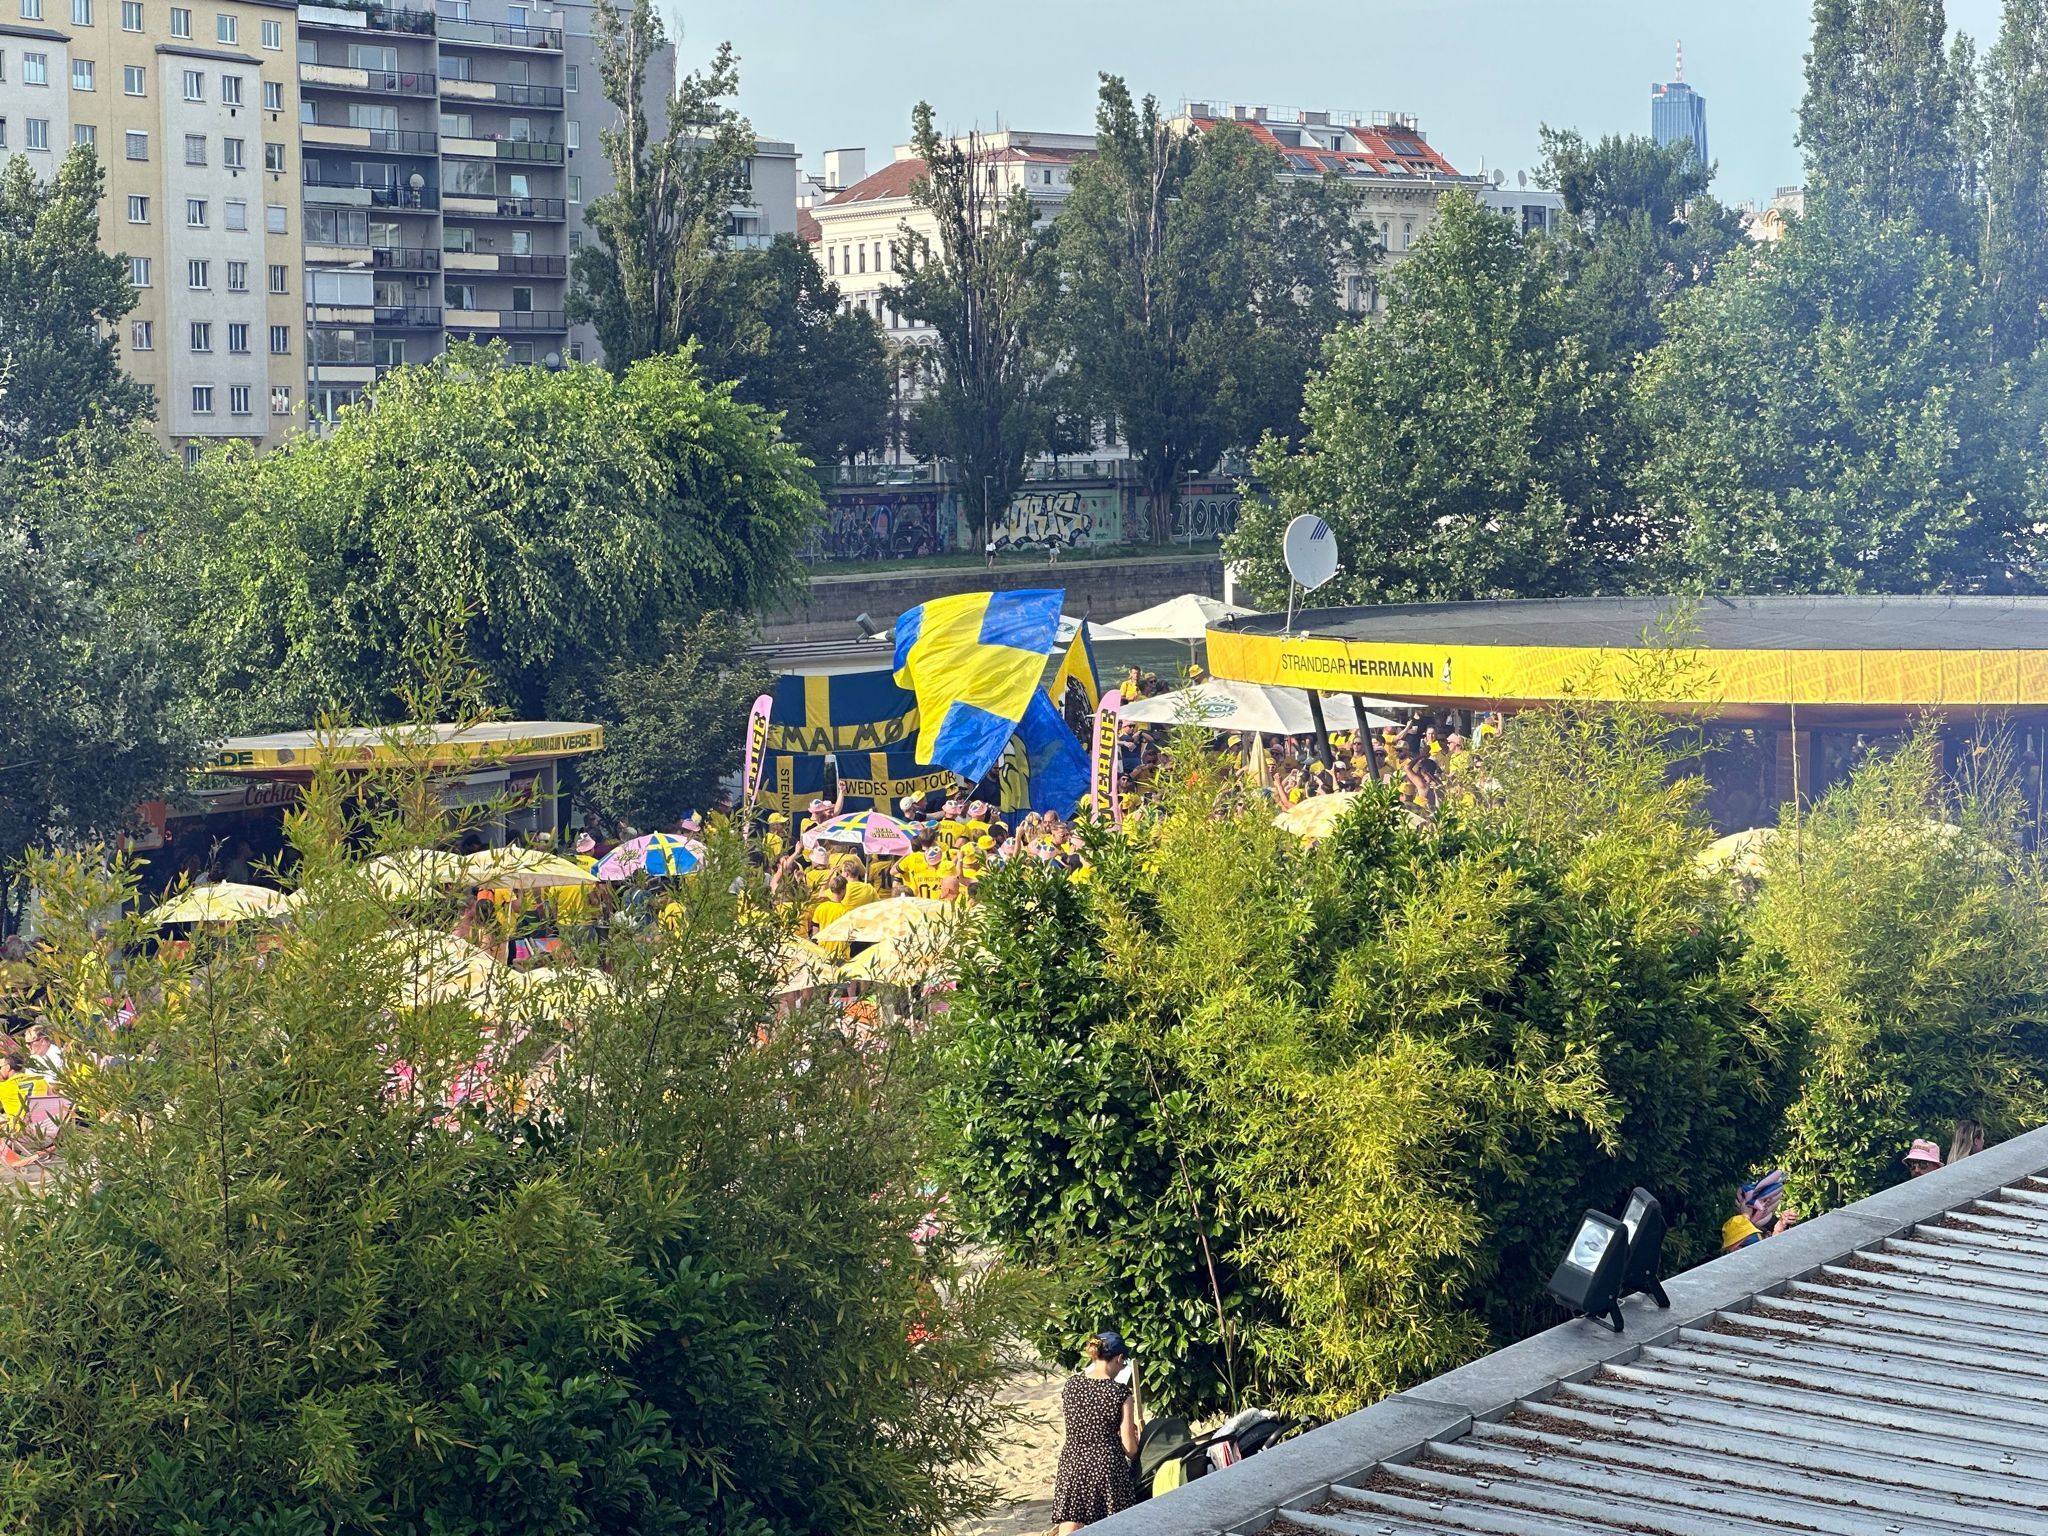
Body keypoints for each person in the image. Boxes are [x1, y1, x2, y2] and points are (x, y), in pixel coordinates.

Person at [1051, 1331, 1141, 1533]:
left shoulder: (1072, 1385)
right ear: (1119, 1359)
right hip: (1106, 1466)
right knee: (1113, 1526)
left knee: (1071, 1523)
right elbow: (1130, 1448)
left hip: (1073, 1462)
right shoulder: (1120, 1393)